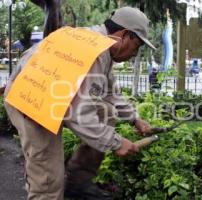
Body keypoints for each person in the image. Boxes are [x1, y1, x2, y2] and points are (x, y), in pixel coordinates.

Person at [4, 7, 156, 200]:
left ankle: (78, 183)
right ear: (124, 35)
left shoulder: (101, 46)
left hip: (53, 95)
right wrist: (116, 143)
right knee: (48, 179)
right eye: (137, 45)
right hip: (30, 99)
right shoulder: (94, 51)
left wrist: (136, 119)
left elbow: (110, 92)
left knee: (106, 112)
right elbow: (79, 115)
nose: (135, 53)